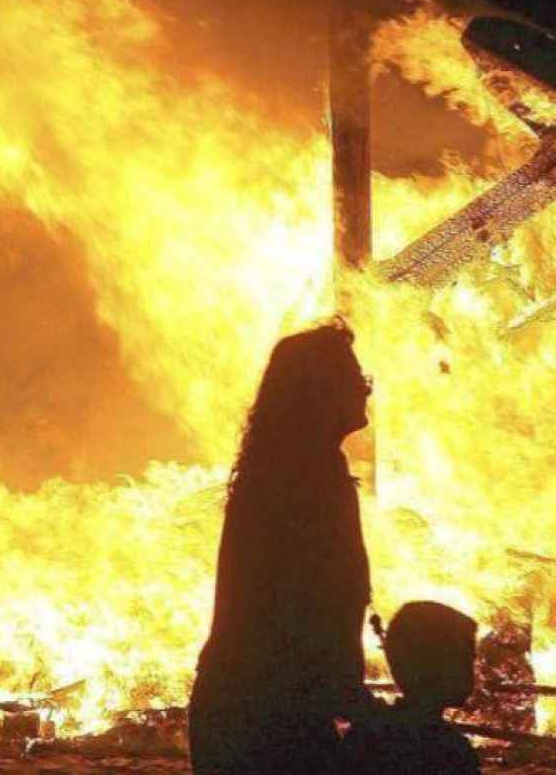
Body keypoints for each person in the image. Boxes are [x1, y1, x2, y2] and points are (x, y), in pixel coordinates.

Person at [188, 321, 375, 775]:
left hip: (252, 706)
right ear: (320, 391)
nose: (365, 389)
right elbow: (306, 605)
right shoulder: (306, 482)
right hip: (268, 714)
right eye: (355, 378)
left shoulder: (292, 470)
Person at [342, 601, 481, 775]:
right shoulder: (445, 748)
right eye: (466, 657)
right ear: (432, 663)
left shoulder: (367, 735)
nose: (473, 667)